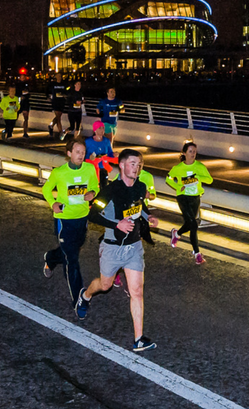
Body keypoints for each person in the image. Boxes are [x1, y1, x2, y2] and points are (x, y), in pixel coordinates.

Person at [76, 149, 160, 352]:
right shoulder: (110, 191)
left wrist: (149, 217)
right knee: (105, 285)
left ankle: (139, 339)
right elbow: (93, 215)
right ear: (121, 165)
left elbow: (139, 206)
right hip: (112, 248)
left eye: (139, 164)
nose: (136, 167)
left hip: (133, 247)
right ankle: (85, 295)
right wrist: (116, 225)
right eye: (132, 163)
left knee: (137, 291)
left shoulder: (140, 187)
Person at [41, 138, 100, 305]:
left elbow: (95, 186)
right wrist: (53, 203)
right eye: (77, 152)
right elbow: (46, 188)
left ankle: (51, 258)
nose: (81, 155)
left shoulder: (89, 169)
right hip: (64, 220)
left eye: (83, 152)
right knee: (72, 259)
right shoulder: (59, 172)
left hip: (82, 218)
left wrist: (92, 193)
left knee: (72, 249)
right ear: (69, 154)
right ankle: (79, 299)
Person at [166, 141, 213, 265]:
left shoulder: (200, 167)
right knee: (193, 224)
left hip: (195, 197)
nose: (193, 154)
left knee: (190, 223)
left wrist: (198, 178)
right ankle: (197, 253)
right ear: (184, 153)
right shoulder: (178, 168)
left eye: (195, 152)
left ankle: (177, 233)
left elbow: (210, 180)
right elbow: (168, 178)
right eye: (190, 151)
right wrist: (177, 186)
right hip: (183, 197)